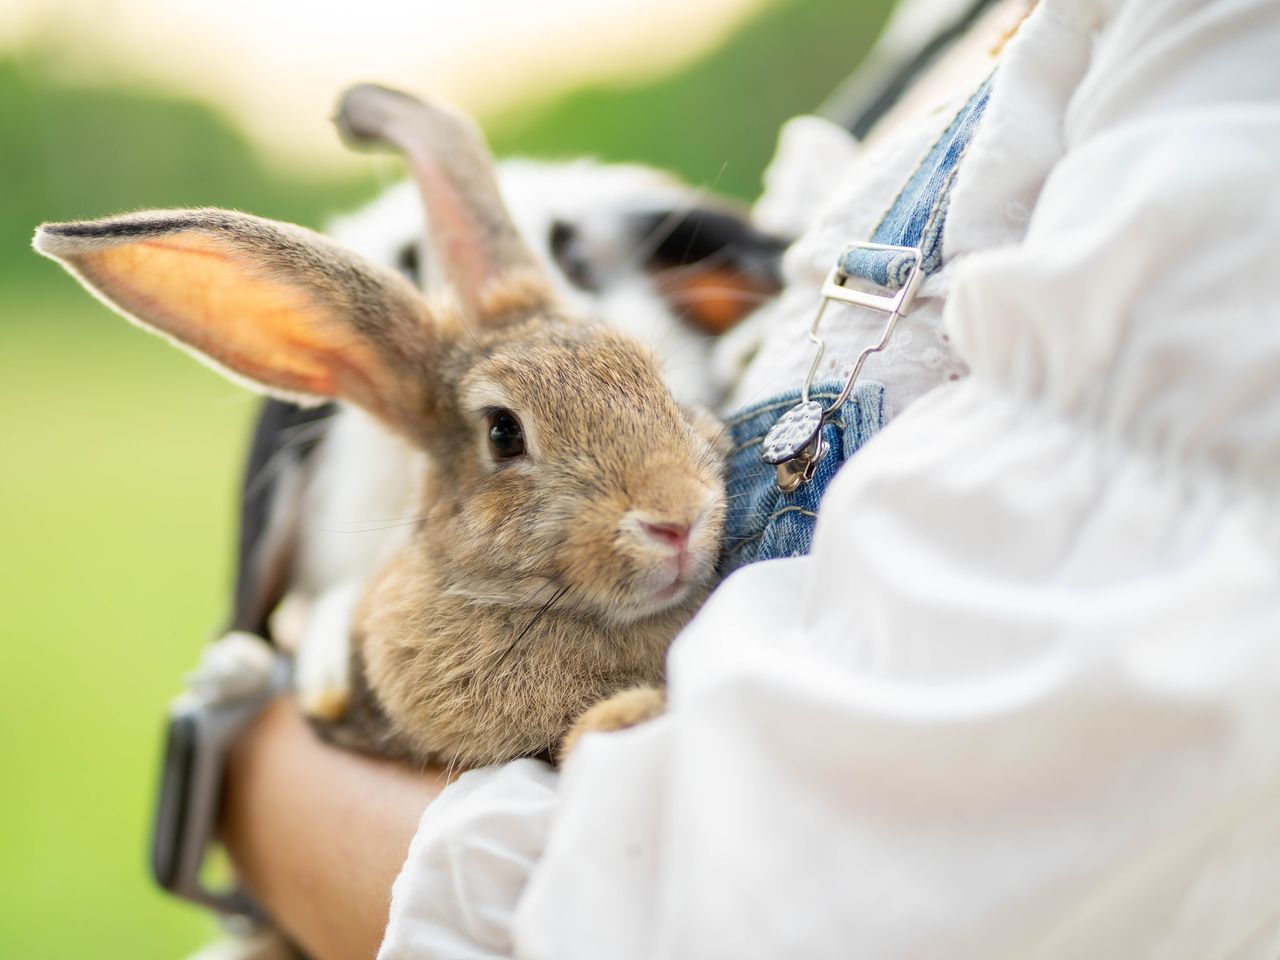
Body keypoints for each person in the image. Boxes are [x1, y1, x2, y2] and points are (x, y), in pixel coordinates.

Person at [220, 0, 1280, 956]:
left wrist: (240, 777)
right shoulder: (946, 27)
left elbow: (690, 916)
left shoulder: (1207, 66)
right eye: (506, 438)